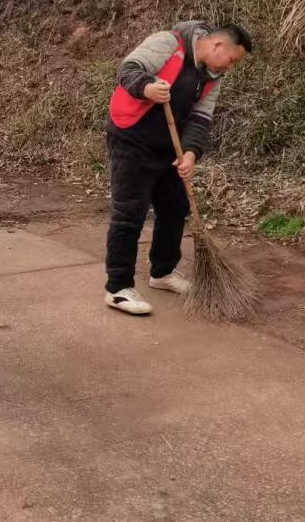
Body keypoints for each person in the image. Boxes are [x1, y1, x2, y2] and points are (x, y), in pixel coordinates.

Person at [103, 21, 252, 315]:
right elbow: (128, 70)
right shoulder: (169, 44)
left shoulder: (212, 76)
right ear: (218, 46)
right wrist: (147, 88)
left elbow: (201, 117)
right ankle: (117, 288)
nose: (230, 67)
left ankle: (162, 272)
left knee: (175, 207)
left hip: (167, 146)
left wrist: (190, 153)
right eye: (232, 60)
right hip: (131, 136)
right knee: (129, 211)